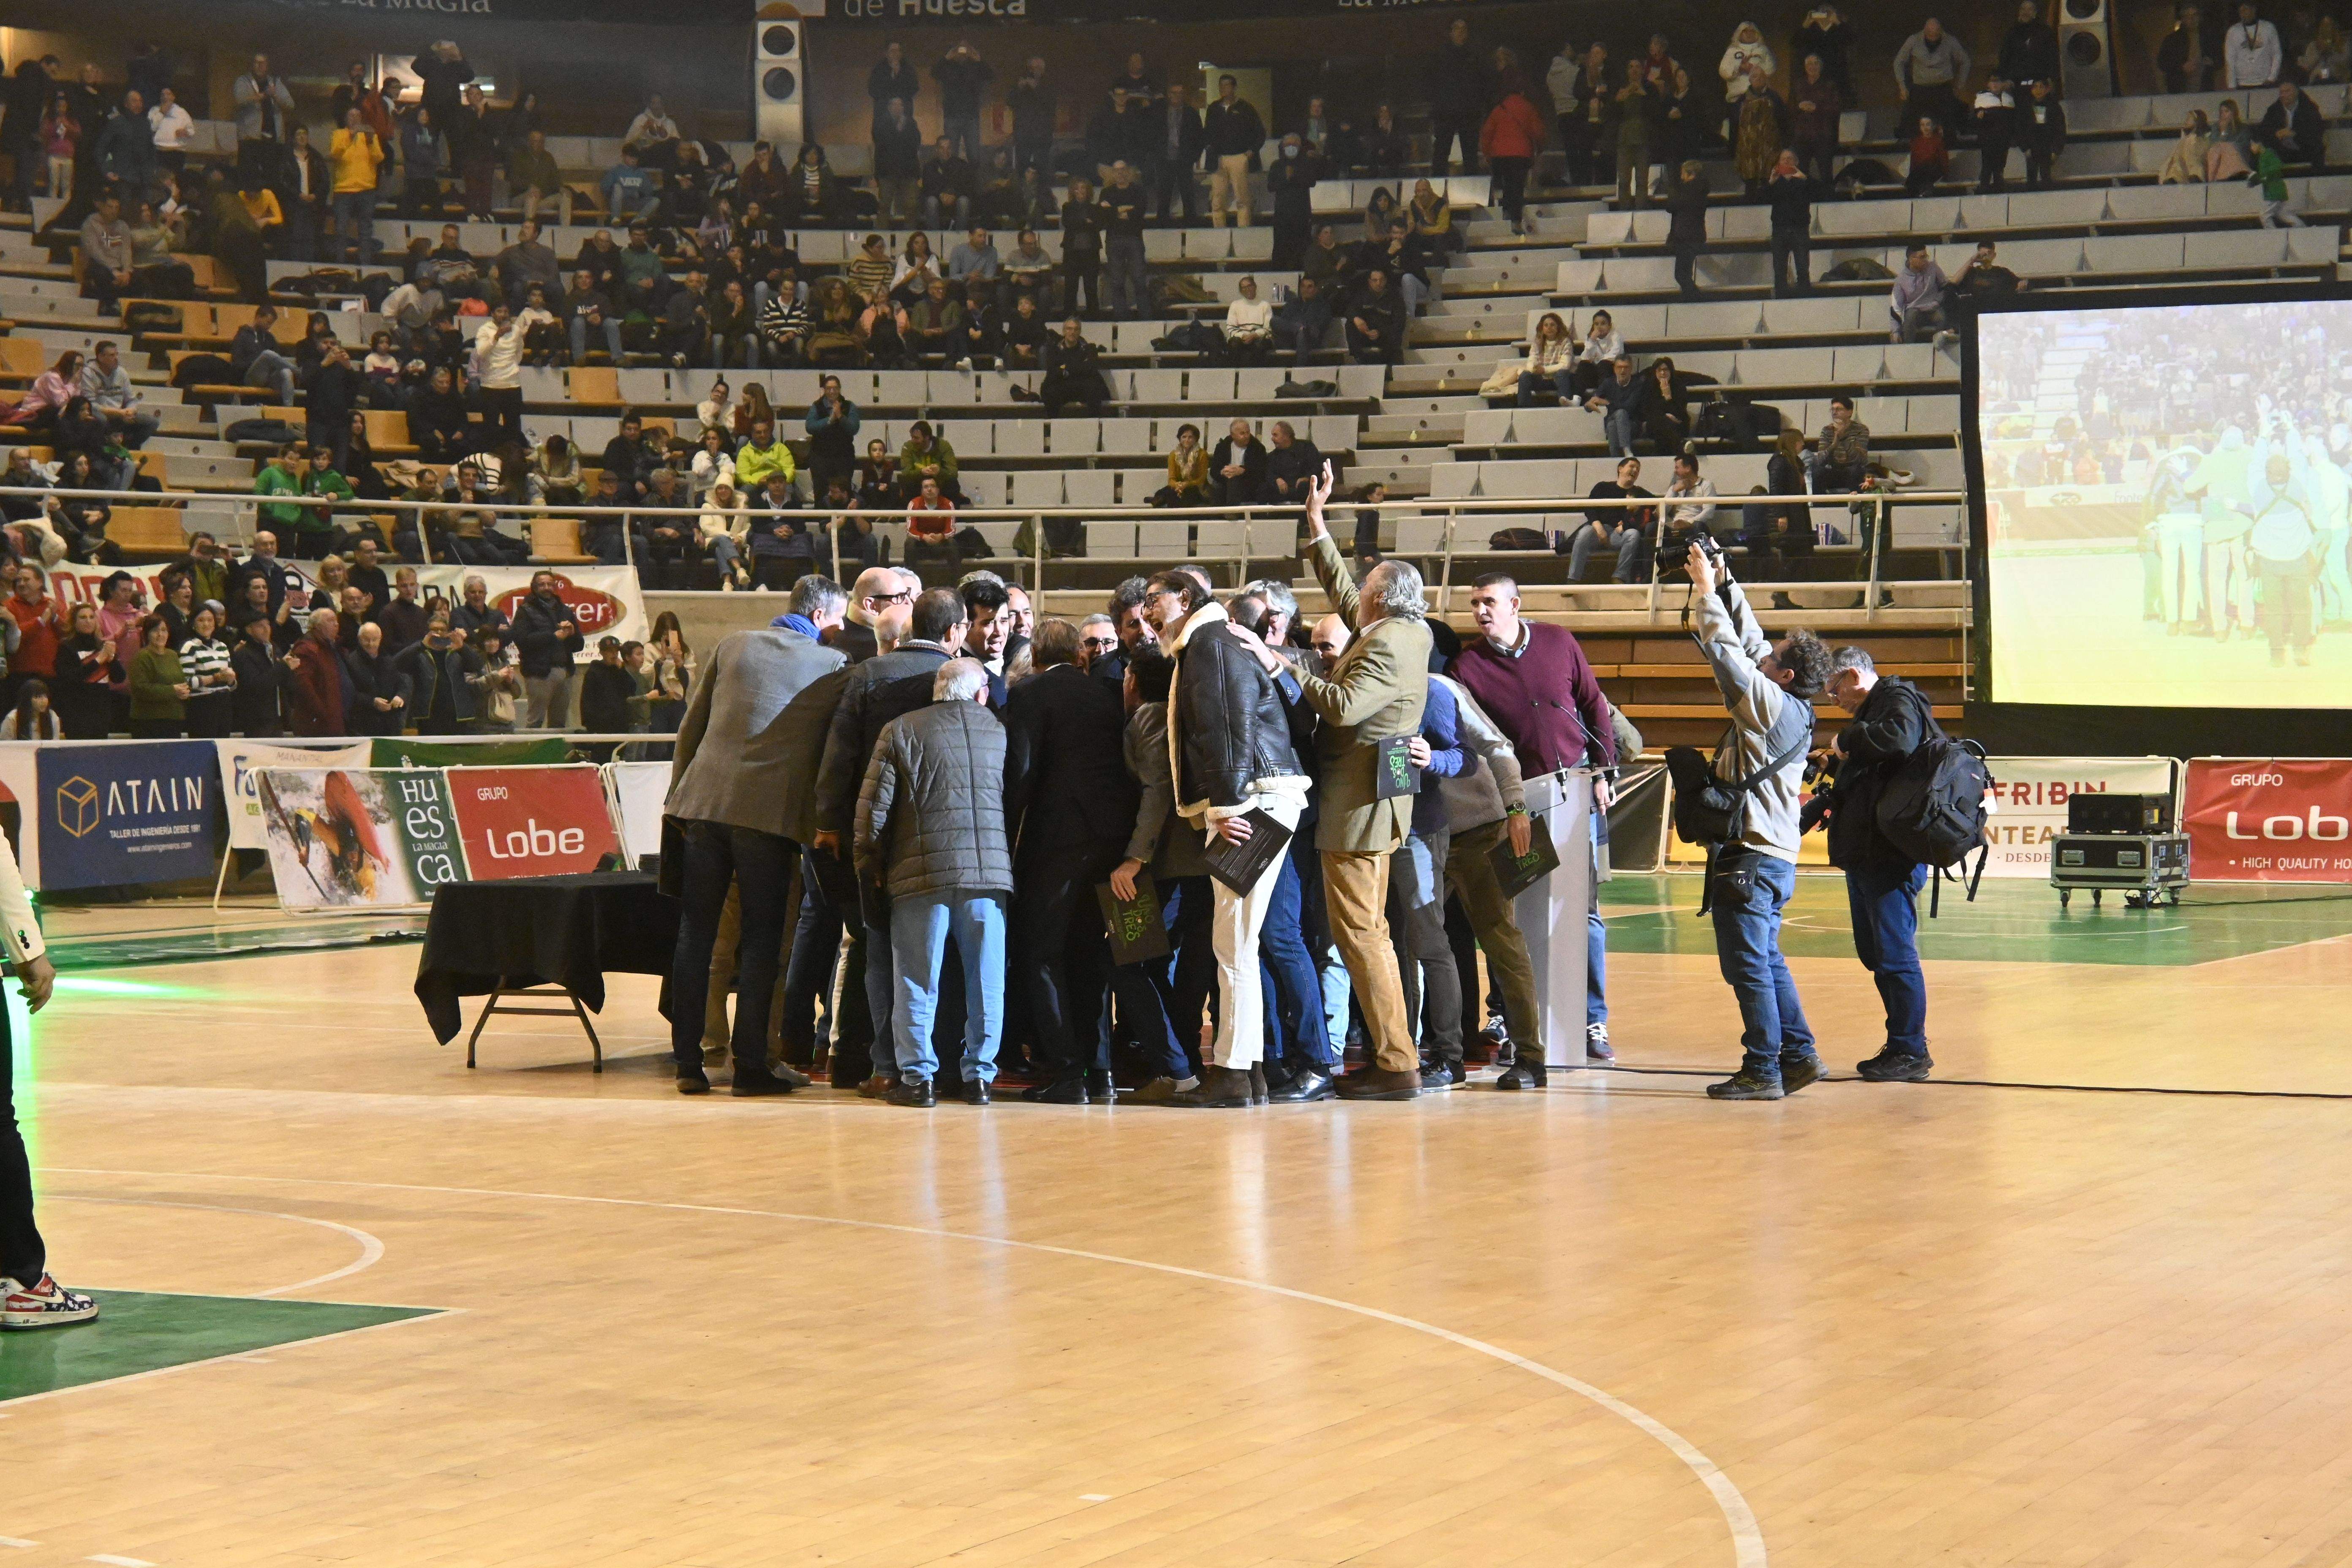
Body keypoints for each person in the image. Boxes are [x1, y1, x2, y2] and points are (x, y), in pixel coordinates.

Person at [1236, 465, 1428, 1101]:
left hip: (1358, 806)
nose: (1358, 592)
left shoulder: (1383, 647)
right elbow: (1349, 595)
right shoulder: (1404, 630)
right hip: (1381, 797)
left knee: (1362, 937)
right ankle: (1395, 1055)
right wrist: (1317, 525)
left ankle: (1397, 1062)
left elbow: (1342, 707)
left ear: (1381, 600)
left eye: (1367, 584)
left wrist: (1277, 665)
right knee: (1370, 934)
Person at [666, 578, 849, 1097]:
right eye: (838, 621)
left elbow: (691, 729)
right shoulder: (832, 667)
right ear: (820, 618)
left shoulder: (732, 645)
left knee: (695, 939)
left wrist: (678, 802)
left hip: (703, 808)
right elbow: (829, 757)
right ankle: (751, 1066)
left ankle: (687, 1063)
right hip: (768, 822)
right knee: (764, 945)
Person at [1143, 571, 1315, 1107]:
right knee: (1237, 942)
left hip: (1252, 802)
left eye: (1154, 600)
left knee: (1235, 943)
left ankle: (1236, 1073)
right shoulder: (1208, 642)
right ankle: (1252, 1071)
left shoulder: (1210, 644)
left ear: (1186, 600)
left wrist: (1226, 804)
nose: (1147, 611)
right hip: (1257, 799)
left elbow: (1226, 727)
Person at [1450, 573, 1620, 1072]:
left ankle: (1592, 1018)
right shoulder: (1467, 667)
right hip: (1516, 807)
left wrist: (1604, 770)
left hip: (1576, 798)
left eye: (1490, 602)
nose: (1482, 611)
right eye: (1475, 602)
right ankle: (1506, 1014)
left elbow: (1594, 704)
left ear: (1515, 604)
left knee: (1583, 912)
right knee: (1510, 913)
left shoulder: (1558, 641)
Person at [1682, 539, 1833, 1100]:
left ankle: (1763, 1069)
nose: (1765, 655)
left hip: (1750, 855)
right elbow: (1749, 642)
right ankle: (1798, 1055)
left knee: (1747, 967)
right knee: (1767, 960)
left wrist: (1704, 595)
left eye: (1774, 658)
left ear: (1785, 676)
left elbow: (1727, 652)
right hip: (1774, 856)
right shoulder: (1792, 704)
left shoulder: (1769, 701)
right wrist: (1726, 581)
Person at [855, 657, 1010, 1108]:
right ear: (981, 693)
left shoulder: (900, 729)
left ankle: (918, 1078)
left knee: (918, 981)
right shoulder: (999, 731)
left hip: (919, 875)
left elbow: (872, 812)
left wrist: (871, 864)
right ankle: (980, 1076)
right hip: (989, 876)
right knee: (987, 981)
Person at [998, 618, 1139, 1102]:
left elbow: (1021, 770)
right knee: (1091, 955)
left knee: (1039, 953)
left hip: (1057, 840)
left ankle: (1064, 1069)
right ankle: (1099, 1072)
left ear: (1036, 654)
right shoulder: (1106, 693)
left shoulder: (1030, 693)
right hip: (1112, 840)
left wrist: (1005, 834)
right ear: (1080, 654)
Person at [1807, 645, 1938, 1083]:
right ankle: (1902, 1044)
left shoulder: (1896, 697)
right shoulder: (1877, 709)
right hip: (1868, 852)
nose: (1833, 700)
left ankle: (1910, 1049)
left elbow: (1899, 739)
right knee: (1878, 953)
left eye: (1833, 690)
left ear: (1851, 675)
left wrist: (1847, 741)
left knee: (1895, 954)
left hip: (1889, 855)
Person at [510, 571, 583, 728]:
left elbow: (579, 645)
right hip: (539, 673)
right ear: (534, 588)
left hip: (565, 672)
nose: (546, 588)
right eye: (542, 585)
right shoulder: (525, 611)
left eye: (550, 584)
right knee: (535, 721)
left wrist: (572, 634)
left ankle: (554, 753)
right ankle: (531, 752)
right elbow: (522, 641)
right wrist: (553, 637)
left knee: (559, 723)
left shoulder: (565, 611)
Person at [1480, 77, 1544, 234]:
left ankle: (1506, 212)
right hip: (1521, 154)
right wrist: (1540, 148)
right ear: (1522, 92)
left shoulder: (1499, 109)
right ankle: (1516, 220)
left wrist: (1487, 154)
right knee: (1517, 187)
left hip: (1499, 155)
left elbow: (1487, 133)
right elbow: (1539, 132)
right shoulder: (1528, 107)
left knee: (1507, 185)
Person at [1892, 18, 1971, 138]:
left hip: (1943, 87)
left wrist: (1960, 85)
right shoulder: (1913, 40)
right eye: (1930, 35)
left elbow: (1965, 61)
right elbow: (1899, 62)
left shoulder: (1950, 41)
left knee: (1950, 121)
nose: (1933, 39)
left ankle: (1949, 147)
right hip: (1920, 88)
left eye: (1936, 35)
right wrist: (1902, 86)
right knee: (1911, 121)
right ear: (1925, 32)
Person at [1427, 16, 1486, 174]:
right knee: (1441, 152)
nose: (1460, 33)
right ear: (1451, 33)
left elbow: (1481, 82)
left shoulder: (1475, 56)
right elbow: (1431, 82)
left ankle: (1472, 188)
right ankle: (1437, 187)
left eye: (1463, 29)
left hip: (1469, 112)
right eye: (1457, 29)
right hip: (1446, 112)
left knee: (1470, 155)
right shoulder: (1440, 55)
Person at [1203, 74, 1263, 227]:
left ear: (1234, 87)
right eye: (1221, 86)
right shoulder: (1213, 109)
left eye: (1227, 85)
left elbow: (1259, 132)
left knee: (1243, 199)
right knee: (1217, 201)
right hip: (1218, 158)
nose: (1224, 89)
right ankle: (1219, 234)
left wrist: (1252, 150)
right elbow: (1207, 132)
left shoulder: (1246, 108)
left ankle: (1244, 232)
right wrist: (1209, 147)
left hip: (1239, 157)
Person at [126, 614, 188, 738]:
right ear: (147, 634)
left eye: (164, 630)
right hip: (149, 721)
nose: (161, 635)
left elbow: (180, 681)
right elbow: (140, 689)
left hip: (173, 719)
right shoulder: (142, 657)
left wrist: (184, 692)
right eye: (155, 631)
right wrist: (173, 690)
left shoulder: (173, 655)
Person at [1765, 150, 1813, 297]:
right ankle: (1781, 298)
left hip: (1799, 228)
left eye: (1790, 158)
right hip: (1780, 230)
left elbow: (1821, 193)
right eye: (1783, 159)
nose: (1786, 161)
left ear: (1796, 162)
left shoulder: (1803, 181)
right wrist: (1771, 182)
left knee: (1803, 269)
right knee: (1779, 271)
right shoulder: (1775, 182)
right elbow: (1761, 198)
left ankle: (1804, 298)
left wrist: (1805, 179)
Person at [2257, 81, 2326, 174]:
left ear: (2296, 92)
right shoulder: (2274, 110)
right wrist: (2276, 135)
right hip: (2282, 151)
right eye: (2282, 92)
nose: (2284, 95)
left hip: (2305, 150)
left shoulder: (2309, 108)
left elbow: (2316, 132)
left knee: (2317, 150)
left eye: (2287, 91)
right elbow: (2263, 132)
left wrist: (2294, 134)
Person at [1890, 242, 1948, 343]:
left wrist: (1938, 300)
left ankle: (1940, 345)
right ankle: (1909, 347)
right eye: (1922, 257)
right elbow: (1896, 308)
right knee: (1910, 317)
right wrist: (1895, 331)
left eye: (1926, 256)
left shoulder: (1933, 268)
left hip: (1933, 308)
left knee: (1942, 317)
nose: (1926, 260)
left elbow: (1946, 287)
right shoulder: (1901, 280)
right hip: (1915, 311)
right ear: (1912, 260)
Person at [1998, 0, 2061, 90]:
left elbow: (2053, 58)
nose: (2026, 12)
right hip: (2015, 84)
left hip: (2040, 84)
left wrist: (2050, 80)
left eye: (2030, 9)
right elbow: (2004, 58)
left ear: (2035, 13)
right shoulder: (2012, 33)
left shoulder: (2045, 32)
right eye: (2023, 9)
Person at [2016, 77, 2066, 191]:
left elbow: (2060, 129)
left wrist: (2056, 149)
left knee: (2046, 176)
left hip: (2047, 145)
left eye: (2041, 87)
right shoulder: (2026, 107)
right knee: (2032, 177)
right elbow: (2020, 128)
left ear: (2047, 89)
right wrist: (2025, 147)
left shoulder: (2054, 107)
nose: (2038, 90)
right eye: (2036, 87)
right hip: (2032, 146)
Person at [2224, 1, 2282, 86]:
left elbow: (2277, 53)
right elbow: (2230, 59)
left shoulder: (2269, 28)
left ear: (2254, 10)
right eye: (2241, 11)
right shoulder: (2233, 31)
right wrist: (2231, 84)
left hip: (2265, 81)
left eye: (2246, 10)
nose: (2243, 14)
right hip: (2242, 82)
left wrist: (2272, 77)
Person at [2158, 4, 2215, 91]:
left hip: (2204, 89)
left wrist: (2212, 62)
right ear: (2183, 19)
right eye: (2188, 15)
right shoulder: (2172, 40)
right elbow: (2162, 62)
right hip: (2180, 88)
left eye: (2195, 15)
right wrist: (2181, 68)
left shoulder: (2209, 38)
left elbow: (2220, 59)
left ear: (2199, 17)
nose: (2192, 19)